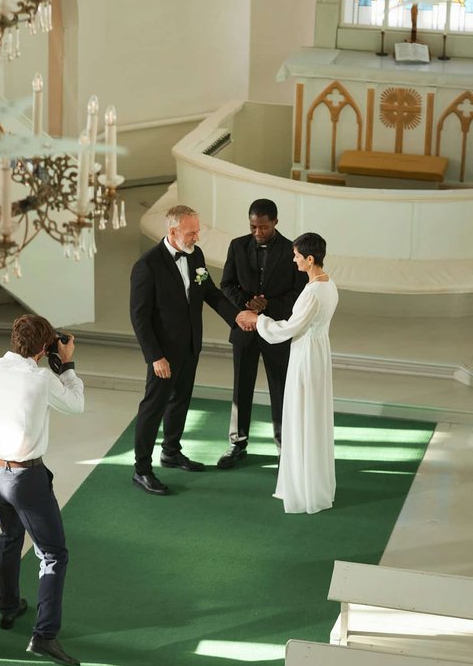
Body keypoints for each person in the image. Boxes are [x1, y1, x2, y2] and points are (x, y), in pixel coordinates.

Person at [0, 314, 85, 666]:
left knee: (10, 535)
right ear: (44, 347)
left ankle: (8, 608)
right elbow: (75, 405)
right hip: (24, 479)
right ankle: (44, 636)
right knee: (53, 555)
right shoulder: (41, 379)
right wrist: (66, 364)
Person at [130, 204, 240, 495]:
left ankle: (171, 451)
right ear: (173, 232)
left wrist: (237, 317)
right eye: (191, 232)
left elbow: (210, 293)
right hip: (163, 353)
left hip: (191, 346)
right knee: (152, 409)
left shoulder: (196, 255)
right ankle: (141, 470)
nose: (196, 237)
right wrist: (155, 356)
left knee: (180, 401)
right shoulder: (147, 265)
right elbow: (139, 317)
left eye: (197, 231)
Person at [237, 233, 338, 514]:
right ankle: (311, 482)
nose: (293, 260)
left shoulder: (313, 292)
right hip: (317, 352)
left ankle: (303, 490)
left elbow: (289, 328)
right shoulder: (329, 285)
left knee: (301, 415)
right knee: (312, 416)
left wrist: (257, 320)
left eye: (296, 256)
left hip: (305, 356)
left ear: (309, 258)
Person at [217, 199, 306, 469]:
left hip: (276, 331)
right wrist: (247, 304)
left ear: (275, 222)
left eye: (263, 227)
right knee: (241, 387)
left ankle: (283, 447)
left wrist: (267, 306)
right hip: (245, 329)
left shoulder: (292, 250)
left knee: (280, 389)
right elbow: (226, 284)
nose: (258, 232)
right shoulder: (237, 246)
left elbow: (298, 293)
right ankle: (237, 444)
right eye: (253, 227)